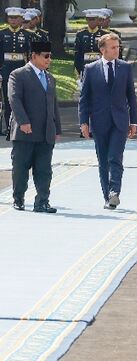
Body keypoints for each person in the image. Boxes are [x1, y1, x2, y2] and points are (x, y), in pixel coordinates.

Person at [79, 33, 137, 210]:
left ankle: (114, 192)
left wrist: (133, 121)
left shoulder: (125, 67)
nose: (117, 50)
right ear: (102, 49)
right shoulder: (90, 69)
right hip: (99, 121)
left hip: (120, 121)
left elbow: (131, 96)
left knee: (115, 158)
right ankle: (107, 197)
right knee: (103, 160)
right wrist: (83, 122)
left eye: (118, 47)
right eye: (113, 47)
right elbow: (84, 98)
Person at [9, 40, 61, 213]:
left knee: (44, 170)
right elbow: (14, 99)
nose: (49, 60)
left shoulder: (50, 77)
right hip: (25, 131)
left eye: (50, 56)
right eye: (46, 56)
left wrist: (57, 129)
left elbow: (54, 105)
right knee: (21, 168)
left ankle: (42, 202)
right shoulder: (18, 75)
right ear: (34, 56)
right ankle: (18, 199)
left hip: (46, 132)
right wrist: (23, 121)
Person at [1, 7, 31, 137]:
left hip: (21, 70)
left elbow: (31, 55)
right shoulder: (2, 34)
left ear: (21, 19)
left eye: (16, 18)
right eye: (11, 18)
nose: (13, 20)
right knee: (8, 99)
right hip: (6, 69)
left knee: (22, 98)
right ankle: (8, 126)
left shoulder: (27, 35)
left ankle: (21, 126)